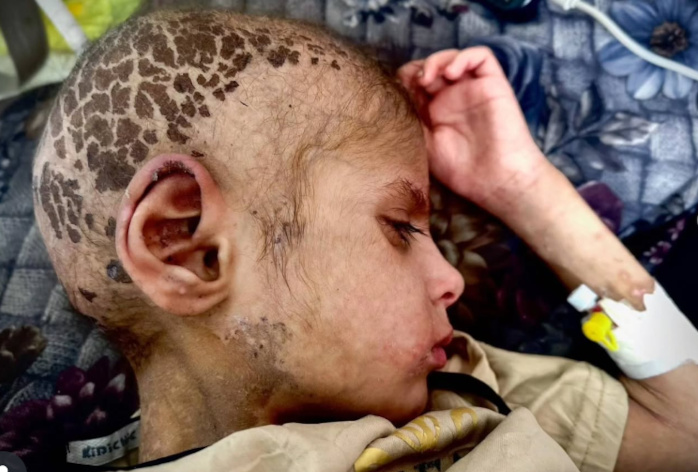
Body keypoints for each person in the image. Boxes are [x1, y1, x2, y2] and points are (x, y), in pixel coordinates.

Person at [32, 9, 698, 472]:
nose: (452, 280)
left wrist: (526, 189)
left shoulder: (464, 383)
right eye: (400, 228)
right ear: (188, 248)